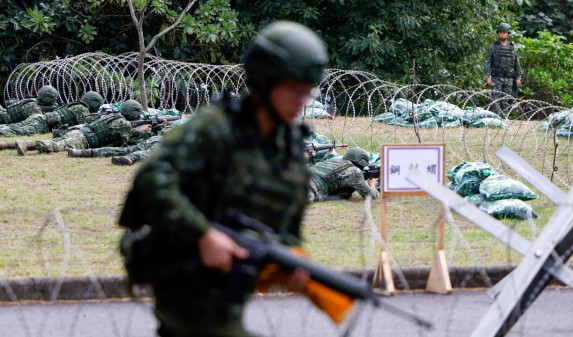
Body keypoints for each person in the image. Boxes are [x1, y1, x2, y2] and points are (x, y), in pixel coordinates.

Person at [118, 21, 328, 337]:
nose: (302, 98)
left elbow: (285, 233)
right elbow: (153, 178)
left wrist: (291, 266)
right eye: (295, 88)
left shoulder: (291, 154)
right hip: (183, 283)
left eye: (307, 90)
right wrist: (204, 235)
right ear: (265, 80)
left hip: (230, 295)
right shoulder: (217, 128)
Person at [17, 99, 151, 155]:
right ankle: (27, 145)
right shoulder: (123, 124)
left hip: (79, 131)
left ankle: (22, 144)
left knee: (57, 142)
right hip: (83, 138)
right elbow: (132, 139)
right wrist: (145, 129)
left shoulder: (115, 117)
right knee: (55, 146)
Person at [0, 90, 101, 138]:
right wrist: (99, 116)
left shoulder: (75, 106)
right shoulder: (82, 109)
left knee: (12, 127)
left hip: (39, 118)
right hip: (42, 123)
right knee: (16, 132)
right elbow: (87, 124)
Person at [308, 147, 379, 202]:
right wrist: (372, 184)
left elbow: (340, 194)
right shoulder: (354, 171)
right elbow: (371, 196)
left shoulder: (333, 161)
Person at [484, 22, 521, 115]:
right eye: (500, 32)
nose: (502, 34)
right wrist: (487, 76)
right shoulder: (493, 47)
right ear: (498, 33)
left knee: (507, 100)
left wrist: (518, 77)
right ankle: (496, 120)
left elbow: (517, 64)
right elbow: (487, 63)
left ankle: (505, 119)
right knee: (496, 100)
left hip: (509, 79)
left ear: (508, 34)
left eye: (504, 32)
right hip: (496, 78)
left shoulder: (513, 48)